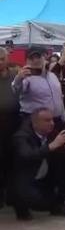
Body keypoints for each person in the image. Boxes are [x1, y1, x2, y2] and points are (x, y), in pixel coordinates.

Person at [11, 108, 65, 220]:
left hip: (44, 176)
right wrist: (52, 146)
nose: (51, 123)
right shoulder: (21, 137)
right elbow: (27, 155)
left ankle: (58, 204)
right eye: (47, 120)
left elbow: (60, 157)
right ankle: (22, 206)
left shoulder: (53, 131)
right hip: (26, 180)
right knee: (36, 200)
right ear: (35, 123)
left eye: (52, 120)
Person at [12, 47, 65, 124]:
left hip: (56, 120)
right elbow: (16, 91)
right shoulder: (26, 77)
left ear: (44, 58)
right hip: (34, 122)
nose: (35, 60)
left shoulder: (52, 76)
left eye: (38, 57)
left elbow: (59, 99)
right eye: (32, 58)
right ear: (27, 61)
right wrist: (19, 78)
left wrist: (64, 119)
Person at [0, 48, 18, 209]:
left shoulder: (15, 75)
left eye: (1, 58)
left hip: (14, 122)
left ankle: (12, 195)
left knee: (13, 160)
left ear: (7, 59)